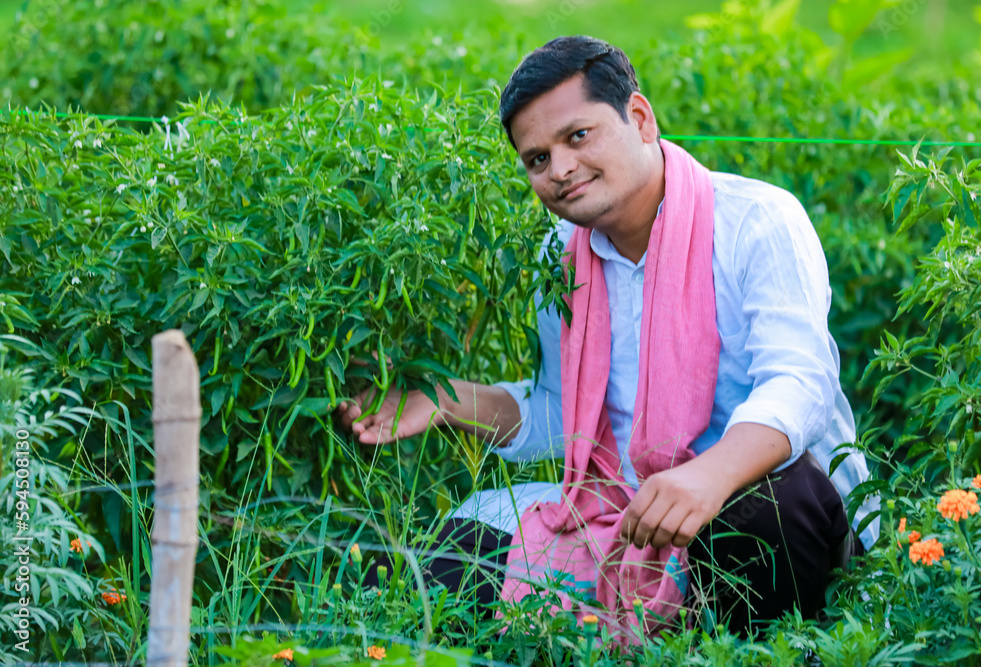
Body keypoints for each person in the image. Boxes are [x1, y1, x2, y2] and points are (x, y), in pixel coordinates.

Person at [336, 35, 880, 638]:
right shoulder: (561, 256)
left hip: (764, 506)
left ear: (640, 119)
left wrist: (708, 475)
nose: (560, 169)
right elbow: (563, 412)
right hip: (626, 508)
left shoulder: (756, 221)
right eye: (536, 159)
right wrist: (441, 401)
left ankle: (755, 645)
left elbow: (797, 384)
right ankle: (656, 621)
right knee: (420, 569)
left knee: (768, 508)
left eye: (577, 136)